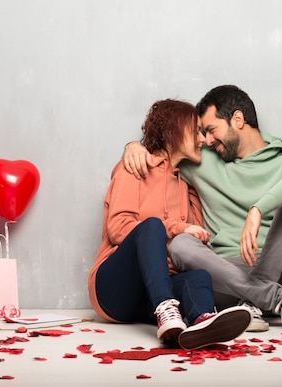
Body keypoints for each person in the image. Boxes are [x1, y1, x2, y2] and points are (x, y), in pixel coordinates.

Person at [123, 85, 282, 333]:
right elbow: (164, 152)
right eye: (202, 133)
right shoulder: (201, 159)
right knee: (180, 244)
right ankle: (269, 297)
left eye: (211, 129)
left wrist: (258, 209)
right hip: (226, 279)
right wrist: (134, 146)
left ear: (237, 119)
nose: (206, 139)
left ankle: (257, 296)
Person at [88, 98, 251, 350]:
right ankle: (167, 309)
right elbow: (119, 228)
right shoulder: (136, 167)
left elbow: (195, 243)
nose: (202, 139)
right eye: (196, 130)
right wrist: (174, 226)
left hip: (150, 296)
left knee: (198, 276)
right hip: (114, 290)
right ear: (175, 129)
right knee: (152, 225)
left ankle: (203, 322)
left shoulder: (187, 186)